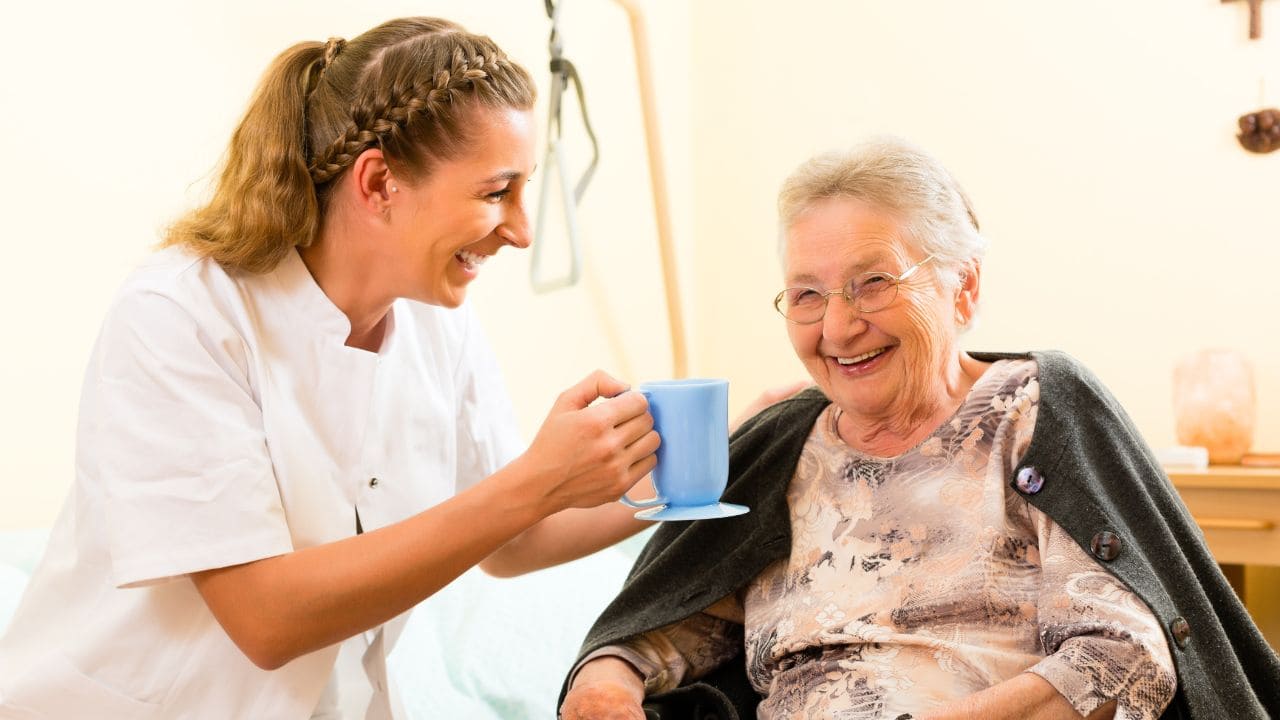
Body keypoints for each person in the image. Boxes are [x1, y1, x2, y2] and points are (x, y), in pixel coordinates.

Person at [0, 17, 670, 719]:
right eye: (495, 192)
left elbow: (513, 539)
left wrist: (722, 458)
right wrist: (537, 482)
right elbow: (266, 617)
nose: (522, 229)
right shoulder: (182, 314)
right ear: (379, 182)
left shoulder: (439, 324)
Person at [560, 138, 1280, 720]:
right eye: (807, 296)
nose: (838, 326)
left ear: (963, 286)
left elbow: (1121, 661)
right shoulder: (781, 446)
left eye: (873, 283)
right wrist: (603, 685)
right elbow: (671, 623)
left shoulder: (1034, 413)